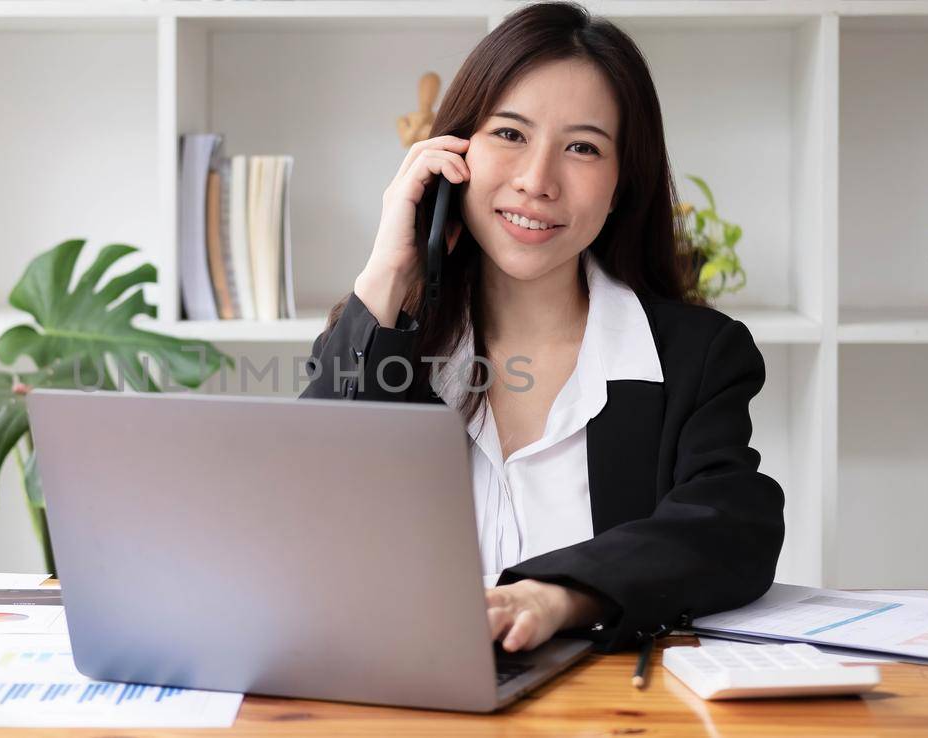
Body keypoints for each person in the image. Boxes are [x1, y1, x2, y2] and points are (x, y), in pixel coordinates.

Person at [299, 1, 784, 655]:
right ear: (451, 153)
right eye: (510, 134)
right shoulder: (386, 338)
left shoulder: (695, 356)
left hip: (612, 713)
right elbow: (301, 512)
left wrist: (558, 595)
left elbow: (733, 527)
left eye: (582, 147)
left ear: (622, 184)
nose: (537, 181)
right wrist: (390, 269)